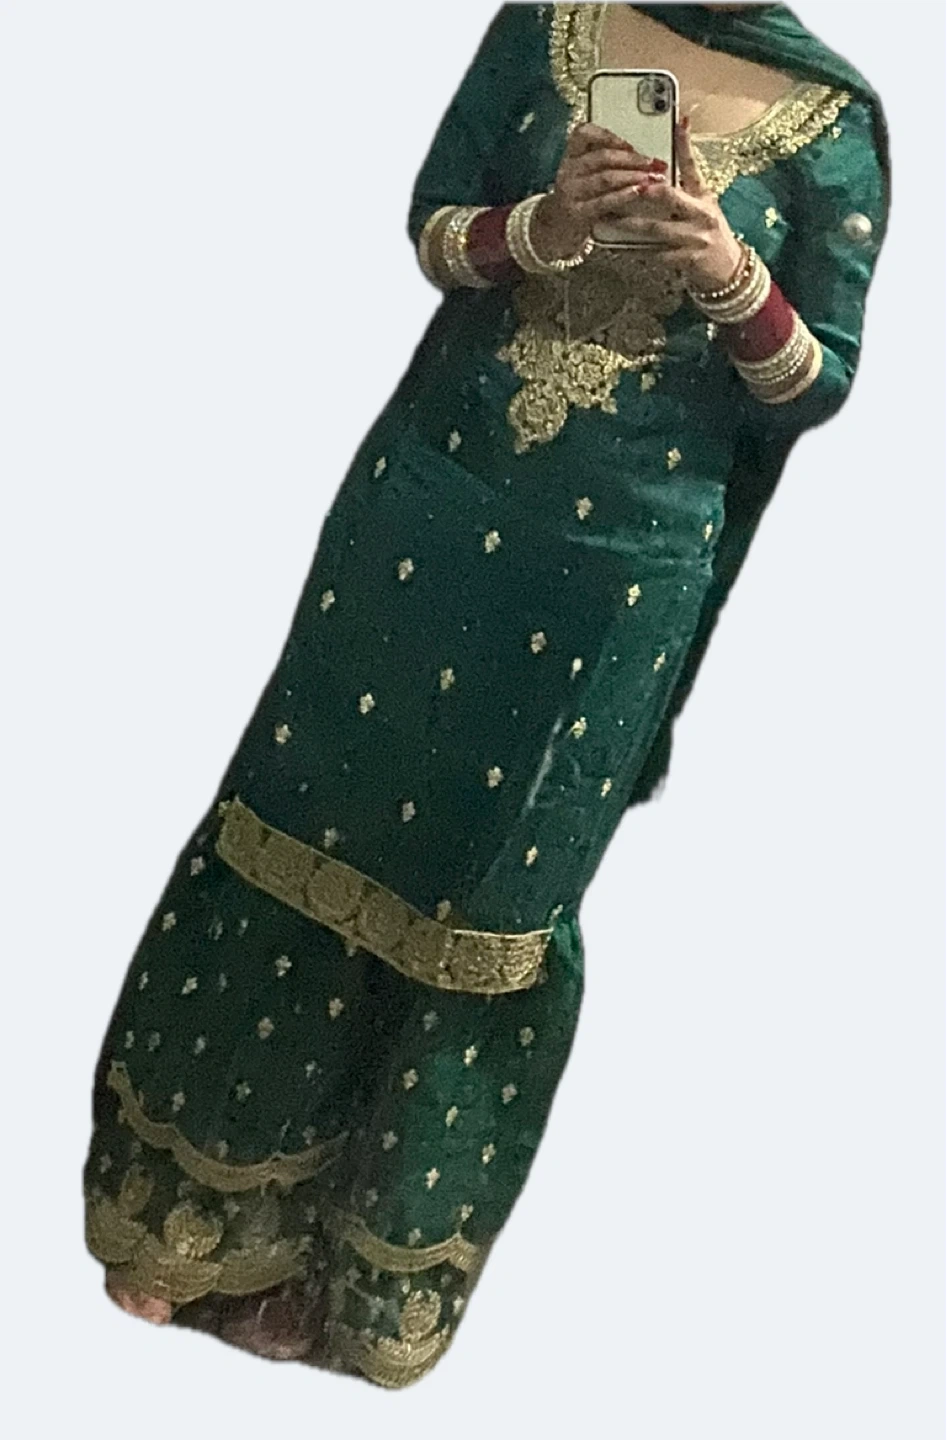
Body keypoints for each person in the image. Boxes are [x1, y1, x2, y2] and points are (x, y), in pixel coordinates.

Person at [83, 3, 890, 1389]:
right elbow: (434, 232)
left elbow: (812, 382)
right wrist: (547, 226)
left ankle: (361, 1274)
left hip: (617, 572)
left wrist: (728, 274)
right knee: (308, 820)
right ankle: (193, 1220)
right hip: (436, 501)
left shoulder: (835, 126)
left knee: (487, 902)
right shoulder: (548, 19)